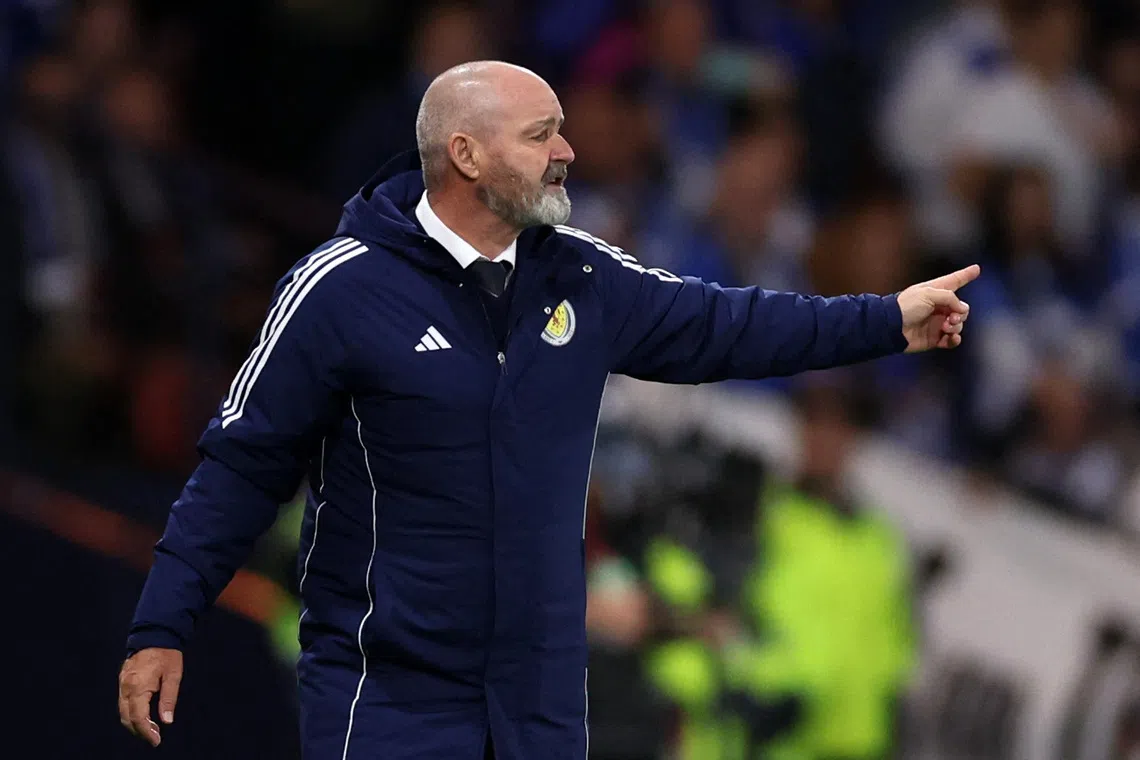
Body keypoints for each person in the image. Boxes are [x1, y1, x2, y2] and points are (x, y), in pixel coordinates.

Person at [118, 61, 978, 760]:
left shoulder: (585, 276)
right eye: (541, 134)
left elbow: (728, 324)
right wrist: (164, 623)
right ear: (467, 154)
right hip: (389, 697)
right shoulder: (339, 289)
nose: (567, 149)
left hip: (539, 705)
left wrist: (884, 319)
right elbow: (239, 467)